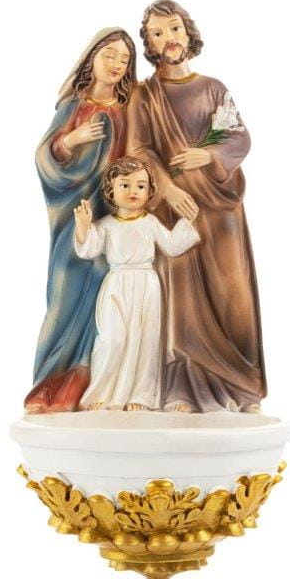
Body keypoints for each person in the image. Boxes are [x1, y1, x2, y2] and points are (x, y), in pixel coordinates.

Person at [126, 0, 266, 413]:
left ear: (187, 32)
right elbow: (138, 149)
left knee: (233, 289)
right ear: (149, 44)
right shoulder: (144, 96)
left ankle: (243, 386)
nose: (168, 39)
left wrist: (208, 155)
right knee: (182, 293)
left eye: (173, 29)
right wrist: (167, 190)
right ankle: (183, 389)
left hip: (220, 207)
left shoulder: (213, 88)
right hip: (176, 209)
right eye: (157, 34)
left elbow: (238, 137)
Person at [24, 28, 136, 414]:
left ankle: (81, 390)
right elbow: (44, 158)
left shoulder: (126, 111)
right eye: (109, 55)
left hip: (110, 220)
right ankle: (46, 387)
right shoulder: (73, 107)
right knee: (63, 298)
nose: (117, 64)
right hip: (74, 218)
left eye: (124, 59)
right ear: (91, 59)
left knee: (101, 306)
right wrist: (72, 140)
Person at [73, 157, 200, 411]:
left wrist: (188, 221)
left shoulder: (150, 222)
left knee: (145, 340)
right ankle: (103, 392)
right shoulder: (106, 225)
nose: (133, 191)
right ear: (111, 190)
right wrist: (84, 227)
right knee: (112, 339)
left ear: (149, 191)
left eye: (141, 186)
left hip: (146, 285)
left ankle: (140, 397)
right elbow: (89, 250)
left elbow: (172, 246)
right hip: (116, 285)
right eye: (125, 184)